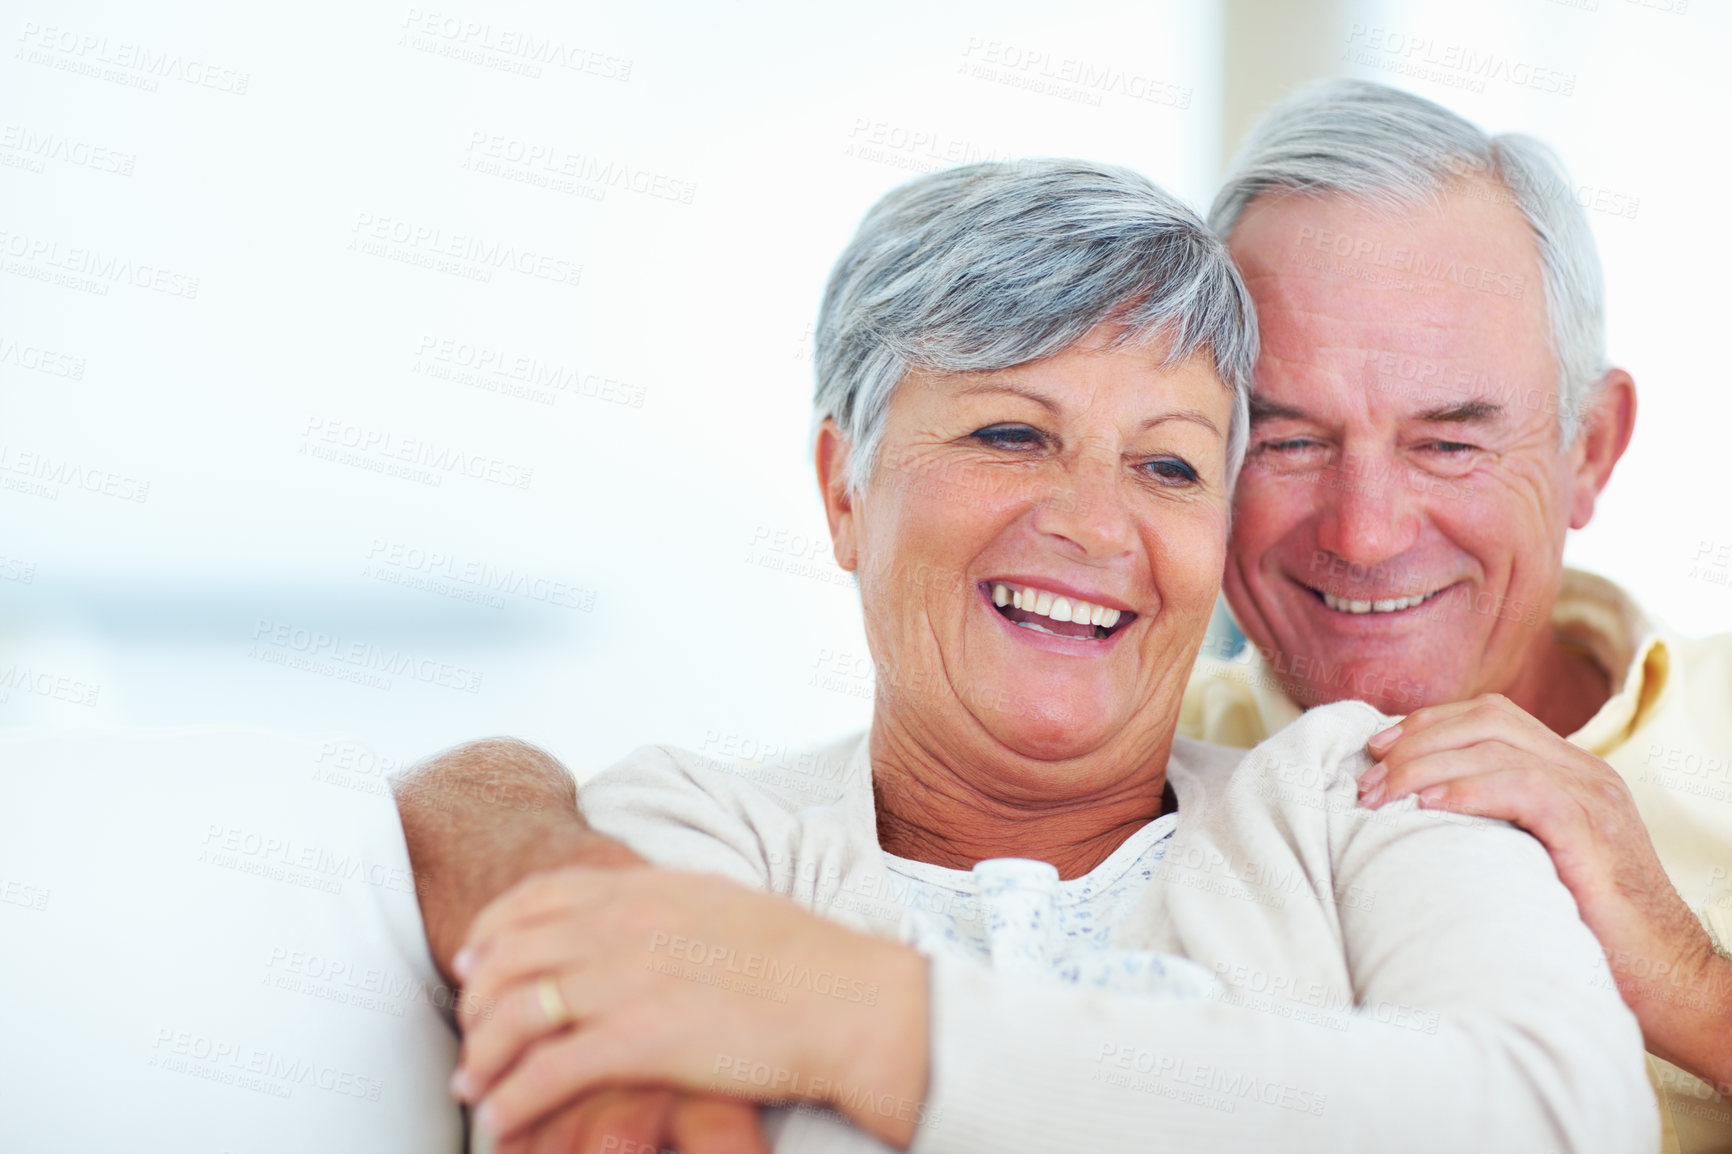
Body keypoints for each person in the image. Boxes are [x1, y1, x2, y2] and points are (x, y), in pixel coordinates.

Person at [397, 158, 1655, 1153]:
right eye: (1008, 433)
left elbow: (1560, 1118)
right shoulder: (696, 822)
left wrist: (858, 1018)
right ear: (846, 486)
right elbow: (633, 1111)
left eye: (1168, 464)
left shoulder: (1365, 796)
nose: (1091, 523)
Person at [1175, 79, 1732, 1154]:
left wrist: (1687, 979)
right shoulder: (1115, 771)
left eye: (1449, 442)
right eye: (1288, 440)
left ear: (1589, 448)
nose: (1366, 532)